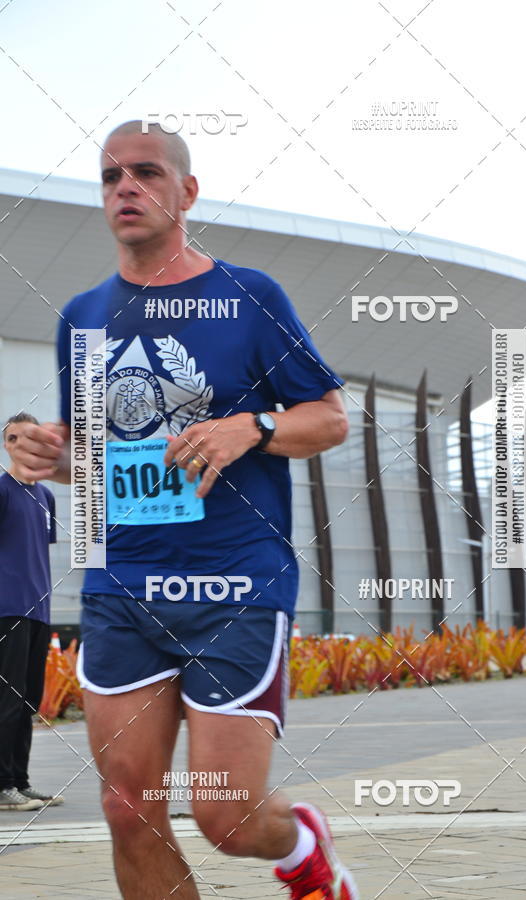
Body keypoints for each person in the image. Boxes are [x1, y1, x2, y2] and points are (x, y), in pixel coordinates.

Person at [12, 120, 357, 899]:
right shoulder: (82, 317)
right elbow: (98, 460)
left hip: (235, 585)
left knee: (227, 818)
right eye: (110, 178)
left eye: (145, 173)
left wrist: (255, 426)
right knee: (127, 806)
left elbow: (330, 418)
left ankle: (301, 847)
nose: (125, 189)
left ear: (186, 191)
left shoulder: (249, 297)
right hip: (122, 586)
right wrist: (50, 455)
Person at [0, 413, 64, 811]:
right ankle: (3, 785)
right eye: (12, 438)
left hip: (38, 608)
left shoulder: (46, 496)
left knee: (27, 700)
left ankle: (19, 782)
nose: (20, 444)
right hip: (6, 609)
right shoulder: (2, 490)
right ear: (7, 444)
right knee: (6, 699)